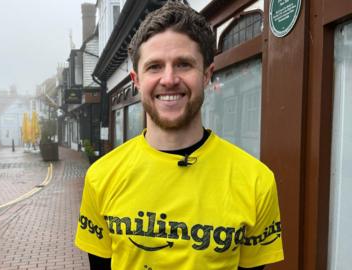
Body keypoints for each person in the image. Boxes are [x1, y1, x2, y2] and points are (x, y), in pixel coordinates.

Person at [75, 1, 284, 269]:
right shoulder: (101, 177)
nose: (169, 79)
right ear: (136, 80)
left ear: (207, 75)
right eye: (154, 67)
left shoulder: (257, 182)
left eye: (184, 64)